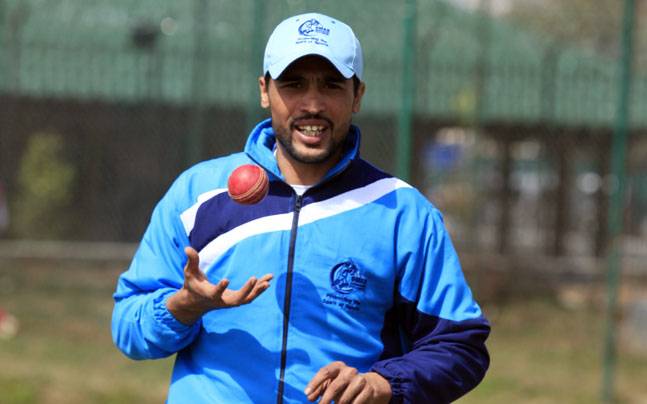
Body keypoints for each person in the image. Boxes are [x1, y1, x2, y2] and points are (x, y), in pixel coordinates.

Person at [112, 12, 490, 404]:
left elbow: (461, 345)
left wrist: (383, 384)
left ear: (357, 95)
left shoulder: (402, 212)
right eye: (293, 84)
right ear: (264, 90)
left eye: (331, 85)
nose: (312, 104)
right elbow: (129, 329)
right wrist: (184, 306)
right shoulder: (197, 194)